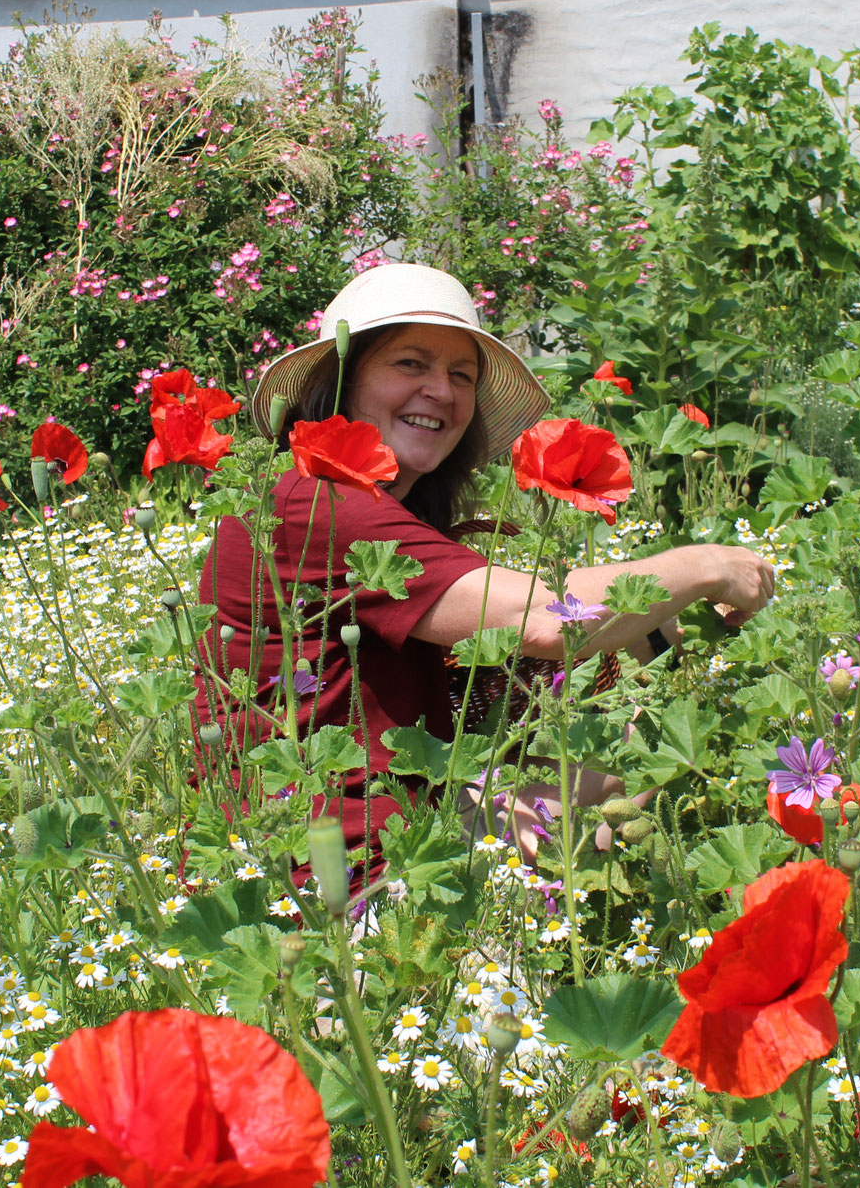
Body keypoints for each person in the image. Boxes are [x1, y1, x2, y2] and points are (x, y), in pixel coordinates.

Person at [193, 263, 775, 862]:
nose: (441, 392)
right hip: (332, 870)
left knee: (637, 755)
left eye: (461, 374)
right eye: (410, 364)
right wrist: (709, 564)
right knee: (651, 764)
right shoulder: (321, 502)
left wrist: (661, 622)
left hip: (397, 810)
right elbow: (549, 621)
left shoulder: (342, 499)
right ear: (343, 379)